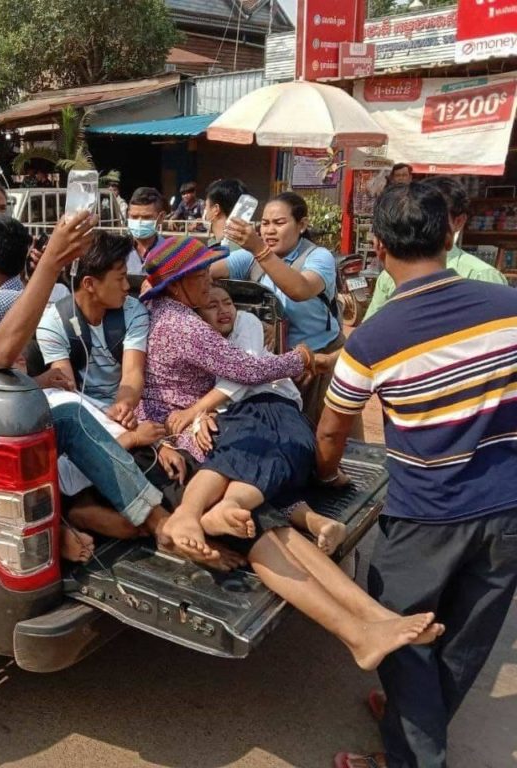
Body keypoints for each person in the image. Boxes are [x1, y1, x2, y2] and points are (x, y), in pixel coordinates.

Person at [130, 238, 443, 671]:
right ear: (179, 284)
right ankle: (359, 631)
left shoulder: (164, 315)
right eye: (200, 276)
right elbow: (247, 369)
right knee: (267, 534)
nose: (209, 282)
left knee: (277, 530)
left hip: (201, 433)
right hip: (195, 443)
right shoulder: (181, 323)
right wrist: (299, 359)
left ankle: (375, 620)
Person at [317, 183, 517, 768]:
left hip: (424, 516)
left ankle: (407, 760)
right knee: (464, 640)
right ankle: (414, 723)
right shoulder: (508, 306)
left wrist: (327, 474)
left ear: (376, 248)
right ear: (451, 235)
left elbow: (333, 431)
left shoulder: (375, 337)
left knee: (401, 638)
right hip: (506, 511)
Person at [0, 217, 176, 554]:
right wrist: (51, 262)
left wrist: (36, 381)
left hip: (11, 430)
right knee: (69, 415)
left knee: (70, 413)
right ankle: (148, 520)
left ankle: (95, 516)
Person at [180, 282, 347, 555]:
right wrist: (200, 417)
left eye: (228, 303)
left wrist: (197, 410)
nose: (224, 311)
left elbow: (244, 374)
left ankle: (231, 504)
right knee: (253, 452)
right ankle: (315, 522)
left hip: (274, 400)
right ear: (197, 315)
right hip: (235, 413)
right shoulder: (194, 340)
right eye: (212, 306)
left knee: (295, 446)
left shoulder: (246, 322)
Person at [216, 192, 347, 428]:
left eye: (279, 223)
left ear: (302, 225)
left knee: (327, 437)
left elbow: (300, 289)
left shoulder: (318, 256)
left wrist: (260, 250)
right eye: (265, 223)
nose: (269, 231)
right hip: (277, 367)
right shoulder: (249, 258)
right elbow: (208, 273)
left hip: (320, 362)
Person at [36, 231, 151, 428]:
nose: (126, 286)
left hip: (130, 411)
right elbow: (67, 387)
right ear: (89, 283)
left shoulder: (134, 311)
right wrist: (105, 416)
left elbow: (133, 373)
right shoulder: (52, 324)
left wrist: (123, 407)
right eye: (120, 278)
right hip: (83, 414)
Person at [364, 175, 507, 320]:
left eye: (436, 217)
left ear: (458, 222)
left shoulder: (481, 275)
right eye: (421, 214)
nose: (425, 221)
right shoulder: (387, 276)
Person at [125, 187, 166, 275]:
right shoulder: (117, 250)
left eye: (146, 217)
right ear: (128, 215)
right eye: (134, 217)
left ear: (161, 217)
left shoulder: (170, 252)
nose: (139, 222)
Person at [202, 178, 248, 245]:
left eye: (205, 205)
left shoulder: (232, 252)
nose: (204, 210)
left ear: (216, 209)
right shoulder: (247, 248)